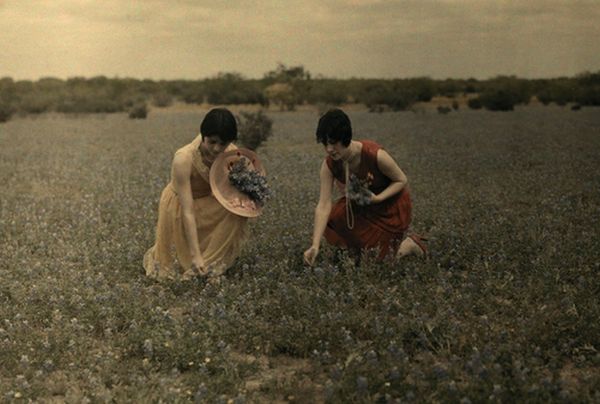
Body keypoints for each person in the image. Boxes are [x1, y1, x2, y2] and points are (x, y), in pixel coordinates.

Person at [303, 108, 426, 266]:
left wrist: (378, 198)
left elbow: (401, 180)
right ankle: (358, 252)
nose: (329, 149)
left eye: (333, 143)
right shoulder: (329, 165)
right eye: (325, 144)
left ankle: (410, 244)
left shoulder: (374, 154)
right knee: (336, 215)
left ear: (345, 137)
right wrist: (315, 245)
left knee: (380, 262)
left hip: (391, 207)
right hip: (364, 206)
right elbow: (323, 204)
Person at [144, 108, 248, 280]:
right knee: (172, 268)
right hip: (181, 206)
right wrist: (195, 255)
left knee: (237, 209)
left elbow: (229, 188)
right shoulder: (184, 158)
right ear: (203, 135)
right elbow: (188, 210)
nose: (216, 148)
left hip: (207, 200)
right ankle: (197, 262)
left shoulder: (231, 152)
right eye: (212, 142)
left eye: (223, 144)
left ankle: (211, 263)